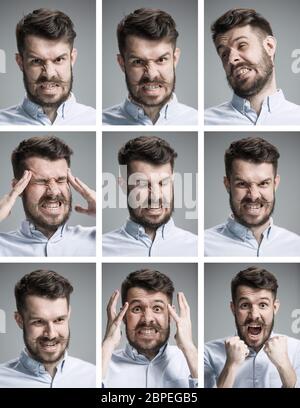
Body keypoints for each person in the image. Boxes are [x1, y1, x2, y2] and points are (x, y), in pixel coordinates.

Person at [204, 266, 300, 388]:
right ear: (233, 308)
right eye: (245, 305)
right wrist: (231, 366)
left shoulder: (297, 350)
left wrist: (284, 366)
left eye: (263, 305)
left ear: (274, 308)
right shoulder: (207, 353)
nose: (254, 315)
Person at [0, 135, 96, 256]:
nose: (54, 192)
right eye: (41, 181)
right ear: (17, 187)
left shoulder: (98, 241)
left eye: (61, 180)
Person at [102, 136, 197, 256]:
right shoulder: (100, 249)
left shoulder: (198, 247)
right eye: (142, 183)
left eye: (163, 183)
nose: (155, 197)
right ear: (123, 185)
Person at [204, 137, 300, 256]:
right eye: (242, 184)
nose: (253, 196)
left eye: (263, 183)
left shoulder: (296, 246)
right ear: (227, 184)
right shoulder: (202, 247)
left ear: (275, 184)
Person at [102, 269, 198, 388]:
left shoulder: (191, 361)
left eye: (157, 308)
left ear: (171, 314)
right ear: (123, 316)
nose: (147, 319)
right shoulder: (103, 363)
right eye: (137, 309)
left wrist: (189, 348)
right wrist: (108, 345)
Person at [0, 269, 96, 388]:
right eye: (38, 322)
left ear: (69, 313)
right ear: (19, 320)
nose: (51, 334)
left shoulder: (94, 377)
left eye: (59, 320)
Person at [102, 8, 198, 126]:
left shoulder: (198, 121)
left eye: (161, 60)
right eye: (138, 62)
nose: (151, 75)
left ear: (175, 59)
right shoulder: (100, 122)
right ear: (122, 63)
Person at [204, 8, 300, 125]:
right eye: (224, 54)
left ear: (269, 46)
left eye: (242, 45)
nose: (231, 59)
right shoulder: (203, 121)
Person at [0, 8, 96, 125]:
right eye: (36, 61)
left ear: (72, 58)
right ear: (20, 62)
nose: (49, 74)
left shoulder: (96, 121)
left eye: (59, 59)